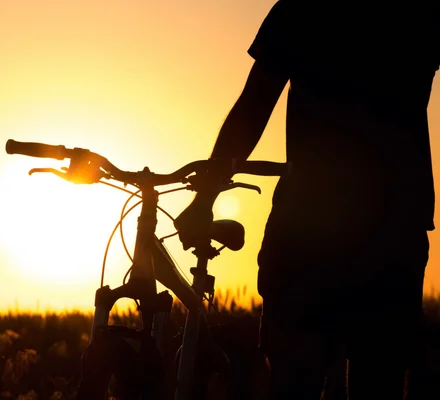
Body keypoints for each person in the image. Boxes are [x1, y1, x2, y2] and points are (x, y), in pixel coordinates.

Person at [174, 1, 439, 398]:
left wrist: (206, 197)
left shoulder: (302, 10)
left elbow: (253, 108)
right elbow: (252, 110)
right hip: (387, 230)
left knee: (295, 381)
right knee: (373, 379)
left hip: (311, 229)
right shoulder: (416, 14)